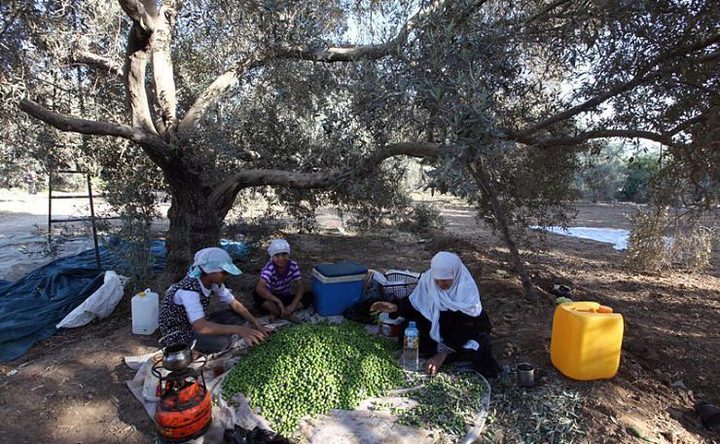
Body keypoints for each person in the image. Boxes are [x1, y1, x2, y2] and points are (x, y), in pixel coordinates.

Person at [371, 251, 500, 377]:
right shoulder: (429, 280)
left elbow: (467, 327)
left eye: (445, 281)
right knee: (409, 332)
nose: (440, 284)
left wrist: (442, 354)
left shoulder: (465, 289)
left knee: (479, 347)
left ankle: (445, 355)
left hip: (461, 334)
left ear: (455, 275)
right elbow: (417, 304)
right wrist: (395, 307)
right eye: (437, 280)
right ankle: (440, 354)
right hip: (437, 327)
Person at [159, 247, 269, 353]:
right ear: (210, 271)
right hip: (179, 334)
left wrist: (256, 324)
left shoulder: (213, 282)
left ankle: (225, 333)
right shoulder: (189, 291)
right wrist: (239, 330)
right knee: (223, 342)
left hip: (194, 323)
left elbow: (234, 303)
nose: (227, 275)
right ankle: (194, 349)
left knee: (233, 315)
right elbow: (201, 327)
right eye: (224, 272)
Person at [253, 239, 313, 321]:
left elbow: (301, 286)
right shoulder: (269, 268)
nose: (281, 259)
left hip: (285, 296)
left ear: (288, 255)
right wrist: (278, 301)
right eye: (277, 255)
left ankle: (279, 312)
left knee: (310, 295)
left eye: (284, 254)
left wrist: (292, 306)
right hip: (271, 298)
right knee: (256, 294)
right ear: (272, 257)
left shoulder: (293, 265)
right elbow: (260, 288)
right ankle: (283, 314)